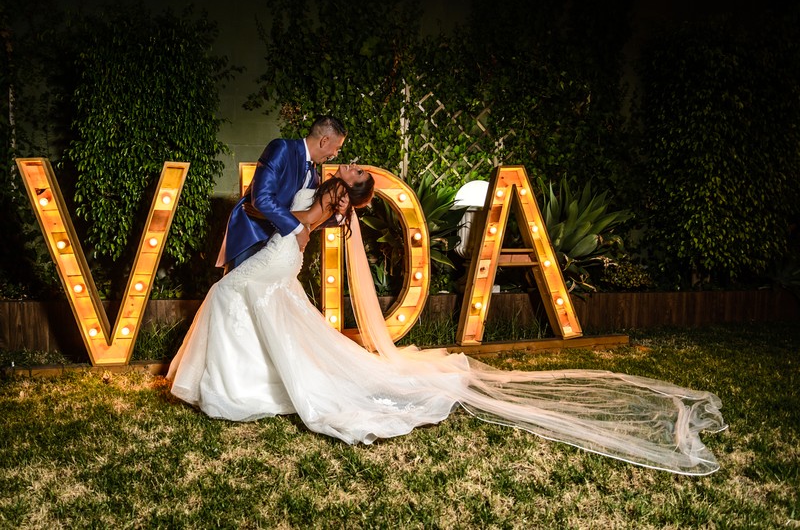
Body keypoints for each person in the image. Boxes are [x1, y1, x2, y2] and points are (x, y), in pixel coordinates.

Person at [168, 172, 727, 476]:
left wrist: (285, 217)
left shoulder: (332, 200)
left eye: (354, 174)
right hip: (278, 260)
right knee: (235, 303)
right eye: (353, 167)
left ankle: (233, 388)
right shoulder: (324, 185)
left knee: (232, 297)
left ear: (349, 194)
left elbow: (300, 219)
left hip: (280, 256)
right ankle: (236, 384)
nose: (352, 168)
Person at [216, 115, 365, 272]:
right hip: (252, 235)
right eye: (337, 148)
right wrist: (299, 229)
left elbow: (309, 216)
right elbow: (261, 198)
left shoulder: (314, 176)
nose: (335, 154)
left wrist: (340, 214)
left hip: (277, 248)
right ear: (324, 141)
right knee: (238, 287)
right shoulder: (282, 149)